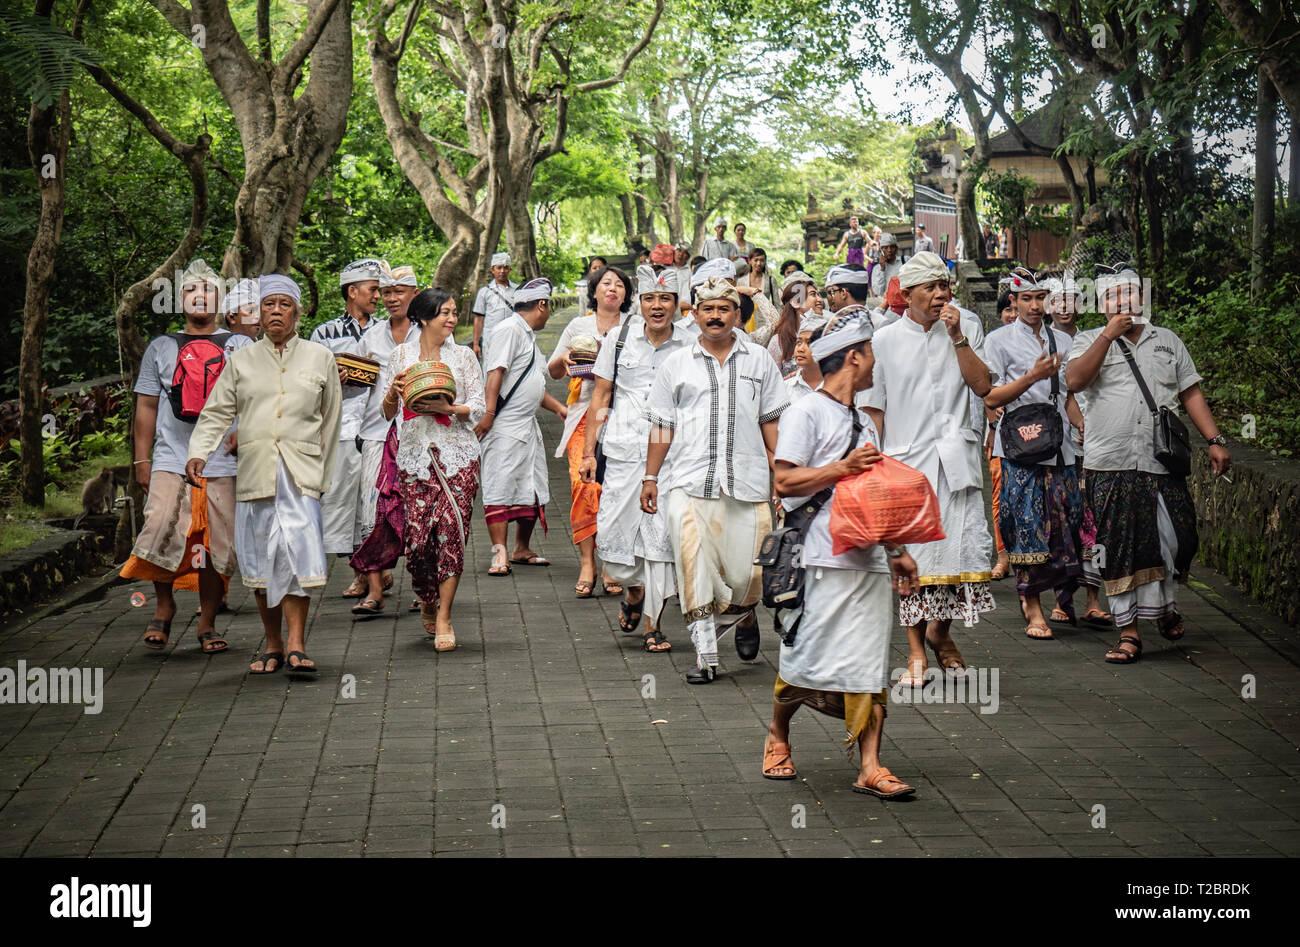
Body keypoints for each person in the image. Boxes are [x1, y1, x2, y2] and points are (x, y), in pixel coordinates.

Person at [765, 310, 920, 797]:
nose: (875, 361)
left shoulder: (864, 423)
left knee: (869, 665)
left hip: (868, 561)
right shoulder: (805, 411)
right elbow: (784, 480)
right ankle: (778, 733)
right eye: (870, 352)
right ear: (854, 356)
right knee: (804, 661)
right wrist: (841, 467)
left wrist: (898, 549)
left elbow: (874, 493)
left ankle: (870, 765)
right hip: (819, 558)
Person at [1065, 263, 1231, 663]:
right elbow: (1074, 381)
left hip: (1161, 462)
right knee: (1119, 548)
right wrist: (1107, 336)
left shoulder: (1168, 341)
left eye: (1130, 293)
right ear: (1102, 304)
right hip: (1109, 461)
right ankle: (1129, 633)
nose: (1123, 302)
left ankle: (1163, 606)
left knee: (1179, 538)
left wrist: (1215, 439)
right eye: (1113, 296)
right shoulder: (1088, 340)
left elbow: (1190, 393)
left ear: (1143, 297)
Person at [187, 273, 342, 675]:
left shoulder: (319, 356)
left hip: (301, 474)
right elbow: (218, 410)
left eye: (284, 305)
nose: (275, 312)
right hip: (255, 473)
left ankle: (296, 644)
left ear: (298, 312)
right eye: (268, 305)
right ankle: (272, 645)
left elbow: (330, 422)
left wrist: (324, 477)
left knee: (297, 557)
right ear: (259, 312)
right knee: (259, 561)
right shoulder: (242, 359)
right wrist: (198, 452)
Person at [642, 276, 788, 683]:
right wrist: (650, 477)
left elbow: (771, 424)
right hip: (688, 483)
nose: (715, 316)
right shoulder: (676, 364)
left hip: (749, 483)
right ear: (695, 314)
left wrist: (782, 478)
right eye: (707, 309)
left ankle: (742, 614)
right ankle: (706, 654)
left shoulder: (760, 362)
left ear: (737, 316)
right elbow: (661, 426)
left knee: (748, 577)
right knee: (694, 565)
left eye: (724, 309)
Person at [860, 252, 996, 685]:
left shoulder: (967, 326)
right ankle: (916, 650)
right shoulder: (882, 341)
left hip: (957, 460)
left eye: (945, 285)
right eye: (931, 287)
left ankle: (941, 633)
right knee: (914, 563)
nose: (941, 294)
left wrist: (957, 337)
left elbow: (984, 386)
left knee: (958, 556)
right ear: (907, 293)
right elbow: (874, 410)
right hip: (906, 467)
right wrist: (875, 467)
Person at [121, 258, 246, 655]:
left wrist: (246, 431)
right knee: (160, 525)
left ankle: (207, 621)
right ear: (179, 300)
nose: (199, 296)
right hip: (170, 458)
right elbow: (145, 407)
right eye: (190, 290)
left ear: (220, 300)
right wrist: (142, 462)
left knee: (214, 543)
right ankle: (164, 606)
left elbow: (258, 397)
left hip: (223, 462)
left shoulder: (240, 345)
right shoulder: (161, 347)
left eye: (207, 290)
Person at [362, 287, 485, 651]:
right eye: (444, 312)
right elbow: (387, 413)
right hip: (414, 457)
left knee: (451, 534)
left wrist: (450, 410)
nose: (451, 319)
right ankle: (427, 597)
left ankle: (444, 615)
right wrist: (393, 394)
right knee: (417, 542)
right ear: (424, 317)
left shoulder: (463, 357)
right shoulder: (400, 355)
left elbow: (478, 406)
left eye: (453, 312)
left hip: (458, 455)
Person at [580, 266, 693, 653]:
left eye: (665, 299)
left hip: (674, 456)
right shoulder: (619, 337)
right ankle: (634, 592)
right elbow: (601, 396)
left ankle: (653, 623)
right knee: (613, 535)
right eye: (649, 299)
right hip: (624, 450)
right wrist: (588, 452)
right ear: (640, 302)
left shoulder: (692, 343)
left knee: (661, 539)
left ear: (677, 304)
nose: (656, 306)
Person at [983, 268, 1089, 641]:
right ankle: (1032, 606)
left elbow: (1068, 394)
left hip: (1059, 445)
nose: (1033, 305)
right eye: (1026, 299)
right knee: (1025, 522)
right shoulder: (998, 341)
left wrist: (1081, 425)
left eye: (1039, 298)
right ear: (1013, 300)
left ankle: (1064, 596)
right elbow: (990, 396)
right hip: (1019, 447)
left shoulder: (1062, 340)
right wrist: (1030, 376)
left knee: (1067, 520)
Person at [548, 264, 632, 597]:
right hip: (584, 415)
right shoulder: (577, 325)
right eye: (606, 283)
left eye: (620, 285)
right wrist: (566, 357)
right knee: (582, 485)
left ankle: (611, 560)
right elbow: (554, 371)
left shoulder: (634, 327)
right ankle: (587, 561)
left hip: (625, 418)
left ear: (626, 295)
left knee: (615, 489)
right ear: (594, 291)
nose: (613, 288)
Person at [476, 277, 567, 575]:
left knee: (532, 484)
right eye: (549, 306)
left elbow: (533, 383)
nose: (549, 311)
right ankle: (499, 553)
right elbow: (495, 374)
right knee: (500, 483)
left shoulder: (527, 335)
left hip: (528, 427)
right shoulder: (508, 330)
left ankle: (521, 547)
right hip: (504, 425)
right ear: (542, 304)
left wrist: (559, 408)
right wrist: (489, 415)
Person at [347, 262, 422, 616]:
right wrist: (345, 375)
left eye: (398, 292)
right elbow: (358, 384)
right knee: (371, 507)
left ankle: (423, 588)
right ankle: (374, 590)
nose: (390, 299)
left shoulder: (429, 333)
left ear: (414, 295)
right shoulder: (372, 336)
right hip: (376, 431)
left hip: (420, 432)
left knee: (419, 509)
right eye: (386, 292)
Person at [311, 257, 383, 599]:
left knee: (376, 500)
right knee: (342, 502)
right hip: (339, 427)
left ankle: (377, 570)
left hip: (377, 422)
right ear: (352, 292)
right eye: (373, 290)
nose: (378, 297)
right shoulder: (324, 333)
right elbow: (309, 380)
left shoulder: (385, 328)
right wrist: (330, 379)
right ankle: (361, 572)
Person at [769, 270, 823, 374]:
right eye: (813, 294)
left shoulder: (827, 332)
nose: (820, 299)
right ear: (795, 302)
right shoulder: (779, 341)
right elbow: (771, 382)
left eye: (818, 295)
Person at [471, 252, 516, 359]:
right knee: (490, 368)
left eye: (505, 268)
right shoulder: (484, 292)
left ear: (510, 269)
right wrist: (476, 344)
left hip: (512, 338)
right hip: (491, 339)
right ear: (492, 270)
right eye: (499, 268)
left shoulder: (517, 290)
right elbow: (479, 319)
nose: (502, 271)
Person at [784, 317, 828, 402]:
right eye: (798, 342)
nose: (800, 349)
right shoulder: (786, 387)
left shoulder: (837, 387)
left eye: (809, 343)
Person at [868, 233, 900, 297]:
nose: (889, 250)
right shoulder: (877, 269)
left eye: (892, 247)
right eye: (885, 248)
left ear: (896, 248)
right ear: (881, 250)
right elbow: (878, 292)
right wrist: (882, 269)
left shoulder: (904, 261)